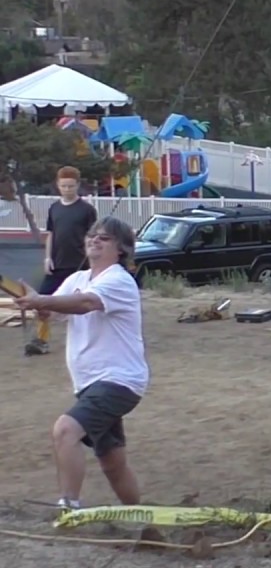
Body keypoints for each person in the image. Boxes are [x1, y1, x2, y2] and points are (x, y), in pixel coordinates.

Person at [15, 216, 148, 510]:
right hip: (89, 383)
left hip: (118, 381)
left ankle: (69, 504)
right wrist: (39, 307)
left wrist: (43, 302)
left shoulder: (119, 279)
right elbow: (57, 311)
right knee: (112, 461)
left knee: (65, 430)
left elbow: (85, 304)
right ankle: (143, 521)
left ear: (121, 249)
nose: (94, 240)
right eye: (91, 235)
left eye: (104, 237)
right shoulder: (76, 280)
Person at [28, 166, 98, 356]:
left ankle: (91, 342)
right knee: (41, 301)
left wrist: (91, 260)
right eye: (64, 186)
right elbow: (51, 234)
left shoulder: (87, 210)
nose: (67, 189)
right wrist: (48, 258)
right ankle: (41, 340)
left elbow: (93, 237)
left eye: (71, 186)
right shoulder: (55, 208)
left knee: (83, 305)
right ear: (58, 186)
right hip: (57, 263)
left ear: (77, 186)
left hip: (80, 265)